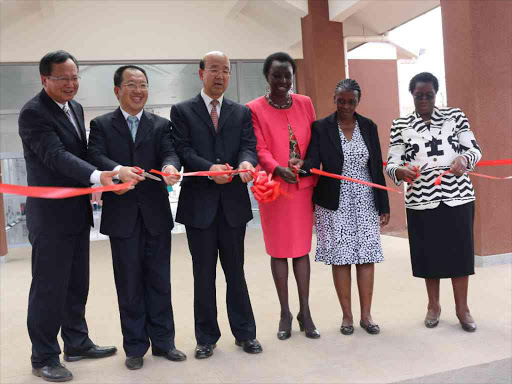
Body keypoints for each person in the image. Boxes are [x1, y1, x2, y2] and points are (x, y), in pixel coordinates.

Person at [18, 50, 118, 382]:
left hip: (77, 213)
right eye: (63, 79)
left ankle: (76, 342)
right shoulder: (33, 113)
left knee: (77, 284)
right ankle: (43, 356)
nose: (71, 84)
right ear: (45, 79)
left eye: (75, 78)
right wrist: (97, 177)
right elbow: (57, 157)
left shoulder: (74, 108)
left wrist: (113, 169)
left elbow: (84, 153)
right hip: (50, 218)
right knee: (49, 288)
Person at [87, 65, 186, 370]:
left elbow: (170, 153)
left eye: (143, 85)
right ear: (117, 90)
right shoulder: (102, 124)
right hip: (122, 216)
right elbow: (95, 156)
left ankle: (164, 343)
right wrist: (118, 171)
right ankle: (134, 347)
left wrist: (170, 167)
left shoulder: (160, 125)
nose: (139, 90)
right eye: (131, 85)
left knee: (159, 281)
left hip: (155, 214)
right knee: (128, 283)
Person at [170, 51, 262, 359]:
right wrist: (209, 169)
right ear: (201, 73)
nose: (220, 75)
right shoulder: (182, 111)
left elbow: (249, 146)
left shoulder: (241, 112)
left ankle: (245, 333)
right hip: (200, 207)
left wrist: (247, 163)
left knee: (236, 272)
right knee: (204, 274)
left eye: (225, 70)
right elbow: (182, 149)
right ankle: (206, 337)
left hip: (233, 204)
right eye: (214, 70)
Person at [386, 72, 482, 332]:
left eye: (429, 95)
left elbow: (474, 149)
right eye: (419, 96)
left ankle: (462, 308)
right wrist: (399, 172)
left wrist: (464, 160)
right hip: (420, 200)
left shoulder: (455, 117)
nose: (425, 100)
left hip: (457, 196)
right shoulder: (401, 124)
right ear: (413, 96)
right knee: (429, 255)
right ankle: (433, 306)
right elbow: (392, 161)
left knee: (460, 253)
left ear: (436, 95)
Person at [294, 78, 390, 336]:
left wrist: (383, 204)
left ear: (358, 102)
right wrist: (300, 167)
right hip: (335, 202)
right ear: (334, 99)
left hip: (366, 198)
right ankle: (347, 316)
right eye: (341, 100)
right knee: (342, 258)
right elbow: (313, 159)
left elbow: (377, 166)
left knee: (367, 256)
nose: (346, 105)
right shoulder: (322, 127)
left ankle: (366, 315)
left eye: (351, 101)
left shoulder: (368, 126)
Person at [247, 52, 319, 340]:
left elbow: (316, 140)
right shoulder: (253, 109)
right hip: (275, 190)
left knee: (301, 250)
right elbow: (259, 148)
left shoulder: (305, 103)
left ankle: (305, 311)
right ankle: (285, 312)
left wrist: (306, 163)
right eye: (277, 75)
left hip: (303, 188)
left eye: (288, 75)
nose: (283, 81)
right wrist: (276, 168)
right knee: (278, 251)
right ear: (267, 77)